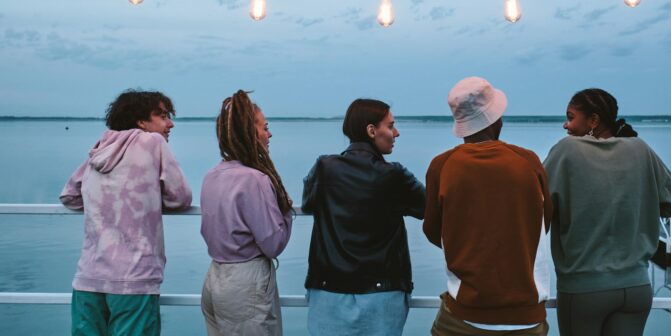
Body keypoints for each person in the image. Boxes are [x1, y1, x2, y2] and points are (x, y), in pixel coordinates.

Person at [543, 88, 671, 336]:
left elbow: (537, 204)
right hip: (636, 287)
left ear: (594, 120)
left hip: (584, 288)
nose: (566, 125)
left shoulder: (567, 150)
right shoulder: (639, 149)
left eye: (571, 117)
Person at [423, 77, 552, 335]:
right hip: (526, 317)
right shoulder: (527, 161)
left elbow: (433, 232)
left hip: (464, 316)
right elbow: (543, 223)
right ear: (496, 119)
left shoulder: (442, 165)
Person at [60, 89, 193, 336]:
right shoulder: (153, 142)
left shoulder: (103, 145)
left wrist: (106, 201)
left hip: (88, 278)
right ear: (141, 121)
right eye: (162, 116)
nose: (170, 123)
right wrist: (149, 198)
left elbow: (70, 195)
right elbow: (181, 198)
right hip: (134, 279)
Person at [302, 98, 426, 336]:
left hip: (329, 291)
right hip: (383, 295)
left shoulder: (324, 168)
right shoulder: (394, 175)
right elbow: (428, 209)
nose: (396, 133)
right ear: (371, 130)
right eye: (390, 126)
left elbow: (308, 204)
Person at [200, 90, 293, 336]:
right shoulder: (255, 180)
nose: (269, 133)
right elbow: (273, 244)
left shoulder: (212, 175)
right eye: (265, 127)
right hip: (245, 283)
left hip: (215, 277)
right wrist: (286, 211)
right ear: (250, 133)